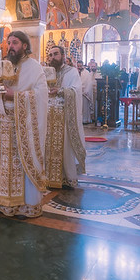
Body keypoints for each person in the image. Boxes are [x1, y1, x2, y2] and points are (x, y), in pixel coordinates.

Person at [0, 31, 48, 217]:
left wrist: (15, 96)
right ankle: (5, 203)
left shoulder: (34, 67)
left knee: (23, 165)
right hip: (4, 125)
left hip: (24, 127)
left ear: (25, 46)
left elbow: (42, 96)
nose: (10, 46)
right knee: (3, 164)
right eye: (8, 43)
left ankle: (26, 205)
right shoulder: (3, 66)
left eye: (15, 42)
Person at [45, 46, 86, 188]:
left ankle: (66, 178)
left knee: (65, 148)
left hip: (64, 116)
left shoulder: (72, 72)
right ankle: (47, 177)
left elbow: (76, 91)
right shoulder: (46, 72)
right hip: (48, 117)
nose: (52, 57)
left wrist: (61, 90)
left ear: (63, 55)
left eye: (55, 54)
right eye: (50, 55)